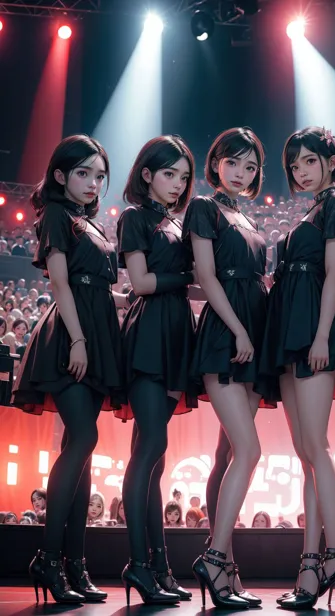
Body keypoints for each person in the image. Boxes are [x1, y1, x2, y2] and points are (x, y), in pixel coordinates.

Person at [11, 134, 126, 604]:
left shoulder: (89, 222)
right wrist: (78, 339)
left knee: (82, 450)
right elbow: (60, 283)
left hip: (97, 333)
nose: (93, 183)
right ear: (60, 175)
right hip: (70, 336)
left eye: (99, 175)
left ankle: (74, 565)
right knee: (83, 440)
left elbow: (99, 286)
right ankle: (49, 556)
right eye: (83, 173)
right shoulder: (57, 214)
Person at [260, 127, 335, 610]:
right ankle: (310, 560)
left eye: (308, 161)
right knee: (305, 452)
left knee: (316, 448)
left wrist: (321, 335)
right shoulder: (314, 208)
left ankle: (334, 553)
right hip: (289, 327)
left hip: (313, 331)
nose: (300, 171)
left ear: (329, 160)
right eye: (294, 165)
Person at [183, 127, 272, 609]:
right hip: (226, 335)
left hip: (256, 335)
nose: (241, 172)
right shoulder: (204, 207)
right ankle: (214, 558)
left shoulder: (246, 215)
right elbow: (206, 276)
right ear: (215, 162)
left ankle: (227, 565)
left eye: (251, 166)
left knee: (228, 456)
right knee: (250, 450)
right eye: (233, 162)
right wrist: (238, 329)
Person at [116, 136, 197, 606]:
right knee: (150, 451)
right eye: (170, 173)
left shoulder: (175, 220)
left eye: (184, 176)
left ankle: (158, 566)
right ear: (147, 174)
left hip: (174, 334)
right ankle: (139, 564)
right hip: (149, 335)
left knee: (155, 458)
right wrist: (190, 277)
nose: (178, 183)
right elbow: (141, 283)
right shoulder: (134, 217)